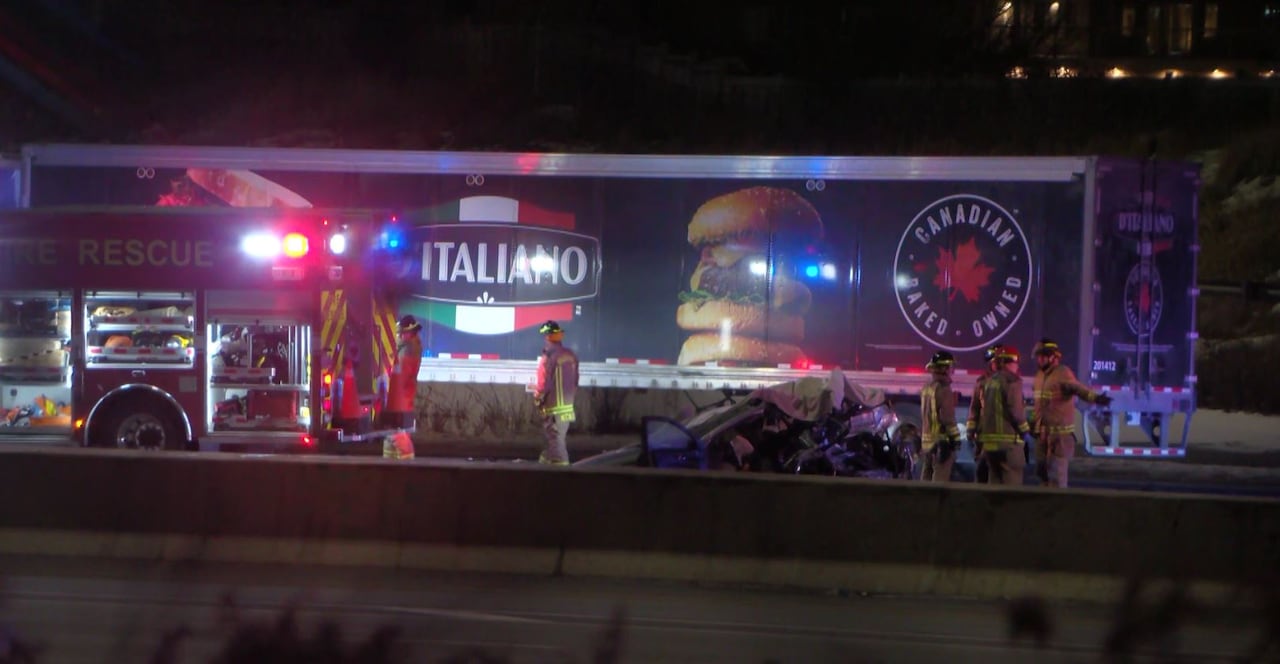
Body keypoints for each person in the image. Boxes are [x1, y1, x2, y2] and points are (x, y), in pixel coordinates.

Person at [1031, 337, 1112, 488]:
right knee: (1041, 473)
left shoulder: (1063, 373)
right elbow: (1038, 405)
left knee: (1056, 476)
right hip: (1042, 435)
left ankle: (1058, 506)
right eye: (1038, 357)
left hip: (1059, 437)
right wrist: (1032, 424)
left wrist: (1095, 398)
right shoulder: (1039, 377)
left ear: (1053, 357)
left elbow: (1078, 389)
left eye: (1043, 356)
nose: (1039, 360)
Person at [970, 345, 1033, 486]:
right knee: (1011, 487)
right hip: (1009, 444)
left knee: (994, 485)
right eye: (1015, 363)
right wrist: (1025, 431)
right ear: (1008, 363)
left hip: (989, 445)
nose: (1017, 367)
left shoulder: (987, 382)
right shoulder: (1013, 382)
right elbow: (1015, 411)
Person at [534, 320, 579, 466]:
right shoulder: (571, 355)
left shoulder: (548, 358)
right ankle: (544, 468)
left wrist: (538, 399)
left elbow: (543, 384)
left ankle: (561, 477)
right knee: (552, 442)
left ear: (547, 337)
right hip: (567, 407)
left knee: (556, 445)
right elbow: (575, 381)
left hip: (552, 409)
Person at [919, 350, 962, 482]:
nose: (952, 370)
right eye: (950, 367)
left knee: (926, 475)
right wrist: (955, 439)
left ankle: (922, 502)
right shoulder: (944, 388)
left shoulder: (927, 387)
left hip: (927, 442)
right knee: (940, 479)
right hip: (941, 442)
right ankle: (935, 502)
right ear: (944, 368)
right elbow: (947, 417)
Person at [965, 343, 1004, 484]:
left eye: (1002, 361)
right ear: (990, 363)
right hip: (984, 434)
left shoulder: (1009, 383)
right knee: (982, 471)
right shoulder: (981, 383)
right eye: (996, 361)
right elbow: (974, 407)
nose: (999, 365)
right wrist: (971, 429)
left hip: (1002, 436)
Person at [383, 315, 423, 429]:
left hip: (401, 401)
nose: (400, 336)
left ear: (410, 332)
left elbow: (402, 377)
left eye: (402, 333)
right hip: (404, 400)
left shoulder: (409, 348)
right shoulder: (413, 346)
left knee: (399, 434)